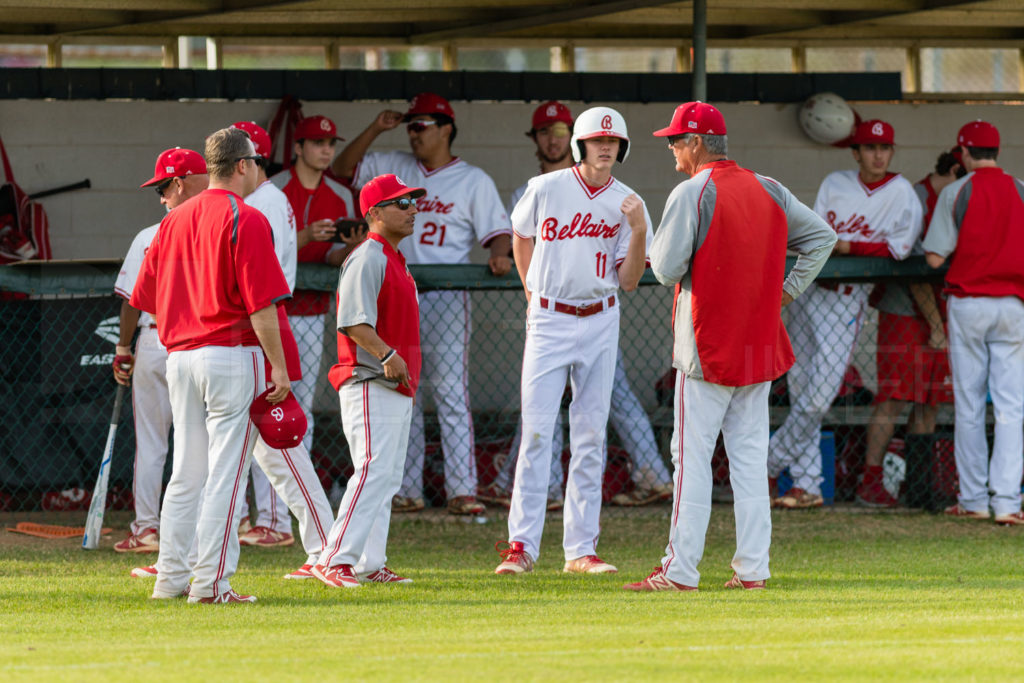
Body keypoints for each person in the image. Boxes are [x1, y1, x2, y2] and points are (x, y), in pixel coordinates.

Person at [623, 102, 836, 592]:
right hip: (757, 343)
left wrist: (645, 232)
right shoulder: (770, 187)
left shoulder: (692, 190)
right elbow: (822, 237)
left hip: (706, 342)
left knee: (691, 458)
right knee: (747, 460)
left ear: (697, 143)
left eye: (677, 140)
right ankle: (752, 571)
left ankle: (679, 571)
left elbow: (665, 270)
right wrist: (786, 290)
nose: (672, 148)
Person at [481, 101, 673, 509]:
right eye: (595, 139)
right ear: (578, 144)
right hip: (551, 316)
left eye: (611, 140)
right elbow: (519, 235)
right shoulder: (542, 188)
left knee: (594, 430)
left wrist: (638, 229)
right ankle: (525, 535)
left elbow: (631, 280)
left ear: (622, 147)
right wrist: (534, 295)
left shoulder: (629, 201)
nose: (604, 146)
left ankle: (586, 542)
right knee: (537, 425)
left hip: (599, 316)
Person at [132, 127, 293, 604]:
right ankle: (210, 584)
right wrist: (279, 368)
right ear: (243, 165)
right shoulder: (246, 215)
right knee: (225, 474)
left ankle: (170, 579)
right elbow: (262, 305)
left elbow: (146, 299)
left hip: (179, 355)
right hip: (229, 353)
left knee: (186, 473)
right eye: (255, 163)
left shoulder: (172, 221)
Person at [333, 92, 512, 516]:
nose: (413, 132)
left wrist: (500, 252)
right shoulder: (392, 165)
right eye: (410, 125)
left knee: (450, 390)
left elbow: (498, 232)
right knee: (400, 387)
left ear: (446, 127)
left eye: (422, 124)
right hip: (395, 291)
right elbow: (341, 170)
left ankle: (462, 488)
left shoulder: (473, 179)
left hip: (447, 295)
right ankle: (405, 487)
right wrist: (378, 127)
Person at [768, 119, 922, 509]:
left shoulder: (902, 193)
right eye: (870, 148)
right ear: (856, 153)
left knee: (819, 397)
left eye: (884, 147)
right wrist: (839, 246)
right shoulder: (835, 183)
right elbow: (818, 238)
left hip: (847, 299)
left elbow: (900, 250)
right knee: (801, 388)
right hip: (809, 292)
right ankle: (807, 486)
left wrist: (850, 247)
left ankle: (765, 465)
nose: (877, 154)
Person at [225, 120, 336, 578]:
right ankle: (283, 529)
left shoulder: (264, 204)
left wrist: (272, 357)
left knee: (280, 439)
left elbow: (256, 287)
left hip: (267, 325)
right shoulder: (269, 200)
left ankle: (288, 528)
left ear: (249, 161)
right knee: (262, 443)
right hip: (267, 324)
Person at [312, 174, 424, 588]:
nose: (412, 208)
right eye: (401, 203)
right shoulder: (369, 255)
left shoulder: (393, 257)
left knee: (387, 476)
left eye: (413, 201)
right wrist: (388, 355)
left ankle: (368, 562)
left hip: (391, 381)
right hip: (368, 377)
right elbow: (354, 323)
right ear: (374, 213)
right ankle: (334, 559)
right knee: (373, 470)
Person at [923, 120, 1024, 525]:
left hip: (968, 303)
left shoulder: (956, 190)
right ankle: (1008, 502)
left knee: (968, 406)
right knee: (1011, 408)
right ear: (997, 152)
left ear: (963, 153)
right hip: (1014, 306)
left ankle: (974, 499)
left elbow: (933, 257)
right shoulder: (1020, 189)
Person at [111, 148, 209, 557]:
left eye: (163, 188)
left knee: (153, 445)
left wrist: (123, 347)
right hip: (202, 345)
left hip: (155, 341)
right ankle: (200, 530)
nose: (162, 198)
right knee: (198, 445)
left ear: (179, 183)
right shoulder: (218, 228)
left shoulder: (151, 236)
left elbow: (132, 301)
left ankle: (148, 528)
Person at [857, 149, 963, 508]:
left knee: (929, 401)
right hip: (905, 312)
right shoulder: (917, 198)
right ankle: (870, 481)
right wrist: (936, 324)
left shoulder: (957, 195)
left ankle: (918, 486)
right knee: (895, 397)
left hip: (942, 312)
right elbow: (914, 268)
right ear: (952, 170)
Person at [270, 114, 365, 462]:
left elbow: (333, 257)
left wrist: (351, 248)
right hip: (269, 312)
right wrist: (305, 236)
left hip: (312, 309)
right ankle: (266, 501)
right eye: (317, 143)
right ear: (298, 147)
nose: (326, 151)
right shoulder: (274, 188)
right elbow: (260, 251)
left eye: (330, 145)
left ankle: (297, 486)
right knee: (267, 399)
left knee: (302, 402)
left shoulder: (341, 194)